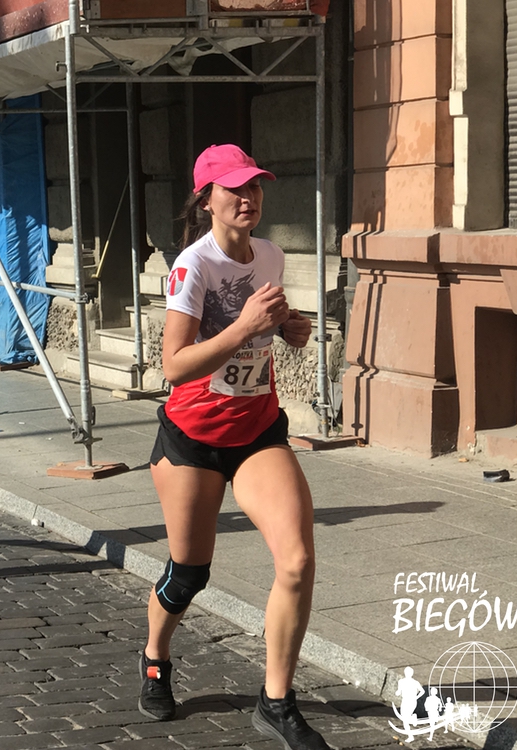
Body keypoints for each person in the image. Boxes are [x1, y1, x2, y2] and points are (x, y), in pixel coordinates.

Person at [137, 144, 323, 748]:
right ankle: (156, 656)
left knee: (296, 561)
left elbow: (270, 326)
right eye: (234, 189)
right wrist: (244, 326)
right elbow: (173, 365)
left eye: (255, 186)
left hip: (257, 429)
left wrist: (289, 327)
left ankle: (277, 701)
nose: (248, 197)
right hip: (193, 438)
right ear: (206, 200)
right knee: (189, 574)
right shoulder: (192, 266)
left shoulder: (270, 254)